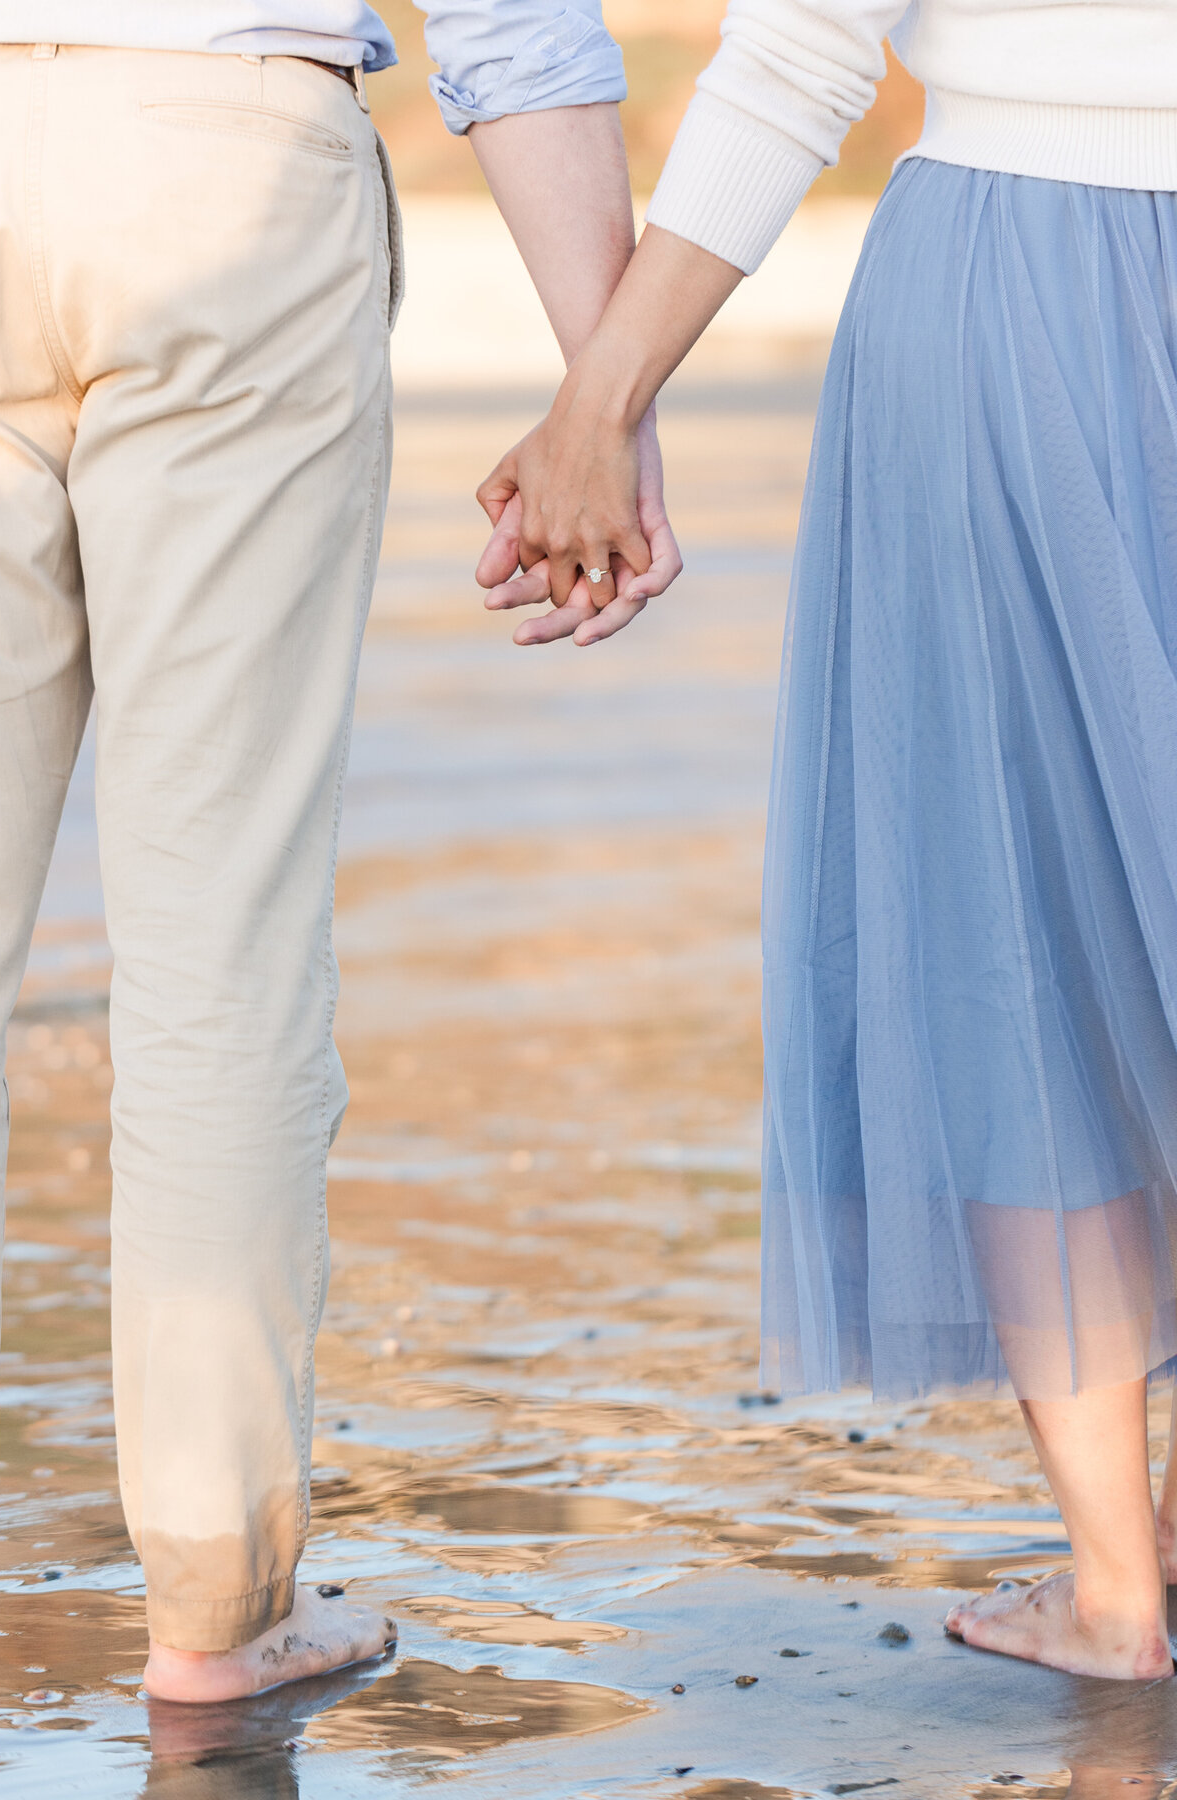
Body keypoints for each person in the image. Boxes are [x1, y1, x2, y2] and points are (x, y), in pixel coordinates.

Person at [0, 2, 679, 1704]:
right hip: (225, 145)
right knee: (218, 950)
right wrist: (610, 390)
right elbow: (510, 22)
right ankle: (218, 1606)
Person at [479, 0, 1177, 1680]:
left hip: (1014, 288)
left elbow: (802, 50)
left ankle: (1116, 1588)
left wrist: (600, 403)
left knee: (1009, 925)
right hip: (1019, 280)